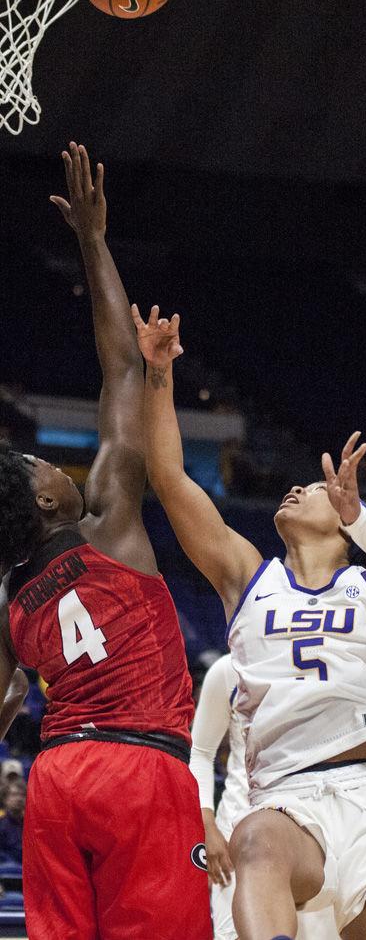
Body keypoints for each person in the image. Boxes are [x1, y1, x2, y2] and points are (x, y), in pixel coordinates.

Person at [132, 301, 366, 940]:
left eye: (314, 488)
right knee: (255, 845)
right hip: (288, 800)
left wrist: (364, 521)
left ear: (348, 522)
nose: (295, 490)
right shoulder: (248, 575)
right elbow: (168, 478)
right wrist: (159, 378)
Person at [0, 144, 211, 940]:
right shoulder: (111, 526)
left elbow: (3, 704)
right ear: (49, 497)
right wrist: (92, 241)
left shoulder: (12, 600)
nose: (50, 461)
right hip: (140, 767)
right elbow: (125, 372)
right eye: (38, 462)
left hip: (56, 779)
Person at [190, 653, 341, 940]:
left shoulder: (322, 660)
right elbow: (201, 753)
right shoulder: (227, 670)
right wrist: (207, 824)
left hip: (314, 830)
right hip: (238, 834)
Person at [0, 782, 24, 863]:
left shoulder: (32, 824)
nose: (19, 798)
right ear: (5, 799)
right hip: (8, 871)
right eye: (14, 795)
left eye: (22, 795)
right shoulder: (1, 824)